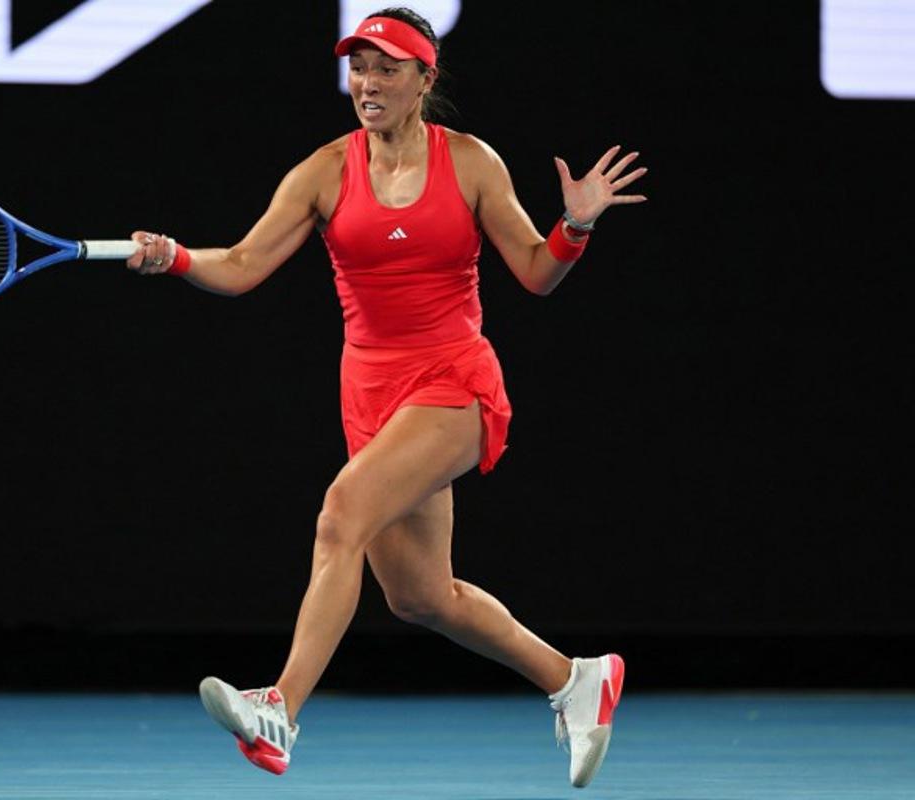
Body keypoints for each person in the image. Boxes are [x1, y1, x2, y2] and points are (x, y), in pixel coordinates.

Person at [127, 7, 646, 789]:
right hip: (369, 393)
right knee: (420, 598)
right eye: (358, 67)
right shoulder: (322, 171)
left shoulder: (471, 164)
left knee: (340, 513)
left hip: (454, 383)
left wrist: (574, 226)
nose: (367, 83)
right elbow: (238, 265)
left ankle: (280, 710)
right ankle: (575, 680)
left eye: (387, 68)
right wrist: (173, 259)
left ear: (424, 80)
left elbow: (538, 273)